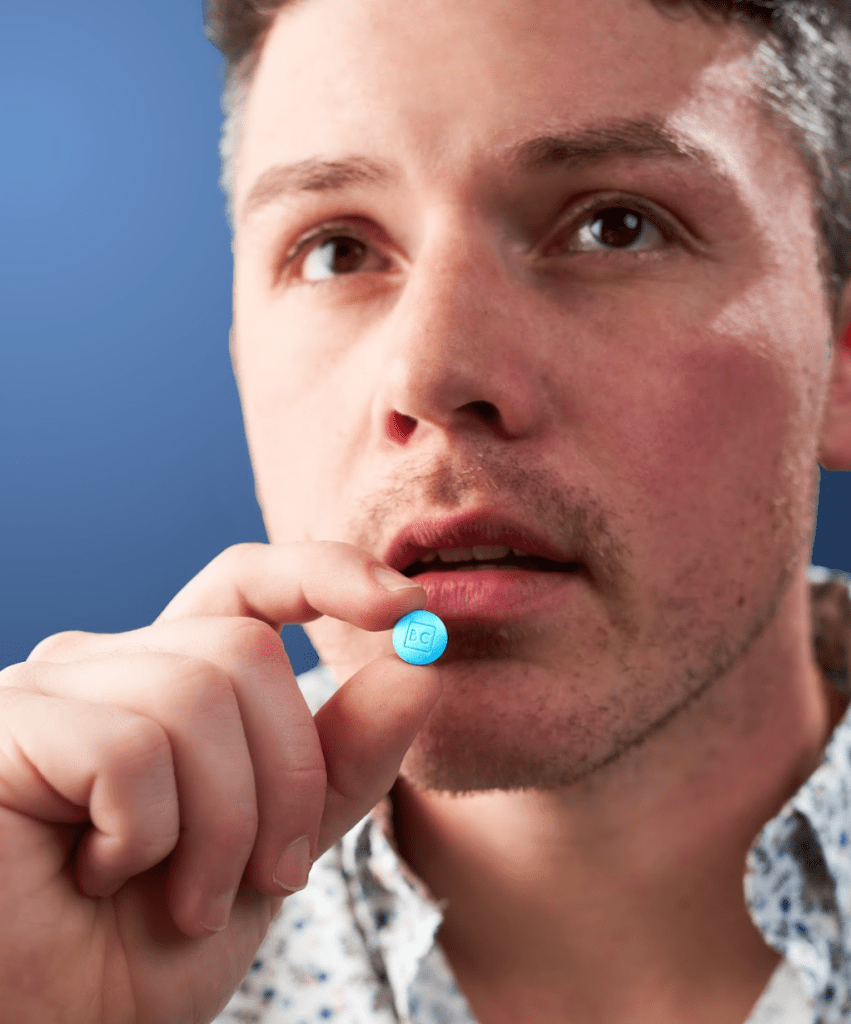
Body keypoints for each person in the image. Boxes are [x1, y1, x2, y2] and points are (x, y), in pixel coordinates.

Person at [2, 0, 851, 1020]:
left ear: (837, 355)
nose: (429, 372)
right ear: (240, 360)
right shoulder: (57, 930)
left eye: (611, 226)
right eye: (336, 252)